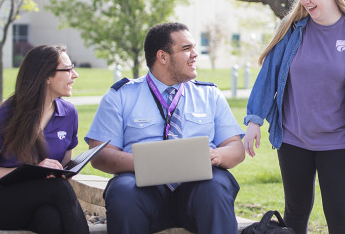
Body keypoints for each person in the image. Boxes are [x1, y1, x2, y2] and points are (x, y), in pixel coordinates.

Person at [242, 0, 345, 234]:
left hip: (339, 141)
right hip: (294, 139)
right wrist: (253, 121)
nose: (305, 1)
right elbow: (268, 75)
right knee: (295, 212)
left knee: (339, 214)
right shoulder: (293, 29)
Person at [85, 22, 245, 233]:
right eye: (186, 49)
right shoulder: (120, 96)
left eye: (194, 48)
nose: (195, 54)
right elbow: (100, 155)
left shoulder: (210, 95)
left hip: (199, 188)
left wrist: (217, 155)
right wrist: (151, 164)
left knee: (216, 187)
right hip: (142, 187)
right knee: (122, 190)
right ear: (162, 57)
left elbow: (236, 147)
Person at [0, 45, 88, 234]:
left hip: (42, 198)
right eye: (68, 69)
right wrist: (33, 171)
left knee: (49, 218)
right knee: (58, 189)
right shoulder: (3, 117)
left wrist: (62, 171)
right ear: (46, 76)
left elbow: (63, 164)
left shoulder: (69, 114)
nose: (75, 74)